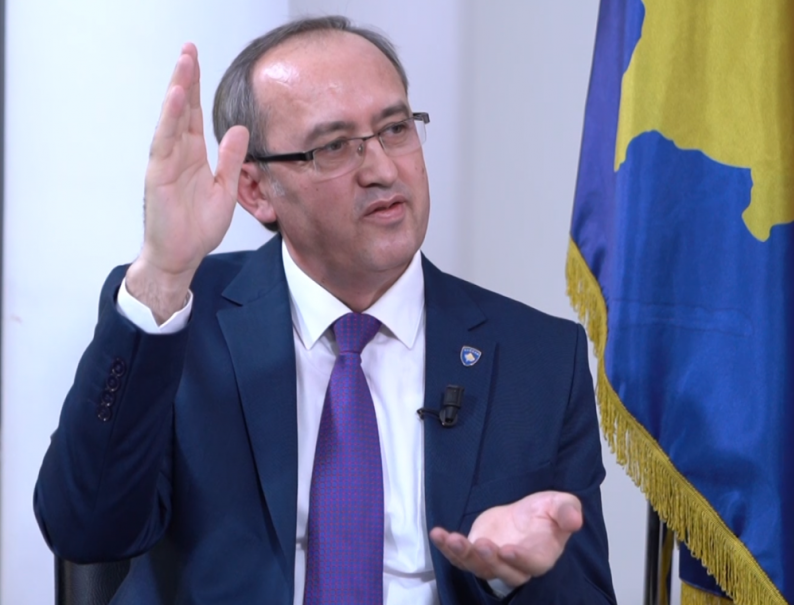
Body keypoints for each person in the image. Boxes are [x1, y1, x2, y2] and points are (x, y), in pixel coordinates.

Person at [34, 15, 616, 605]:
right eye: (334, 146)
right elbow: (85, 529)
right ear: (256, 190)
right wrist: (162, 274)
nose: (383, 170)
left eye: (395, 129)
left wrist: (512, 576)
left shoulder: (539, 360)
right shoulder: (181, 321)